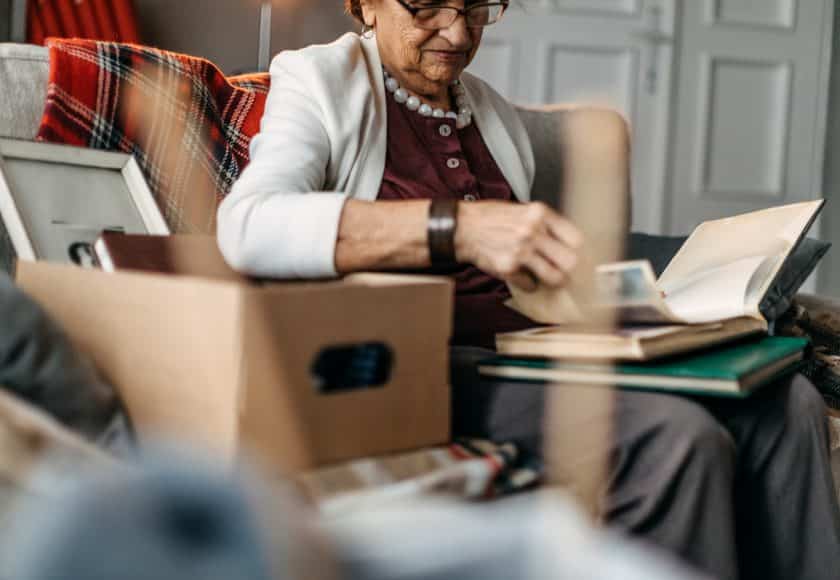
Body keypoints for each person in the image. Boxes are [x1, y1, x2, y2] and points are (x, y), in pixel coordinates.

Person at [217, 1, 840, 578]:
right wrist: (452, 228)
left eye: (477, 6)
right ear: (364, 3)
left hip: (545, 349)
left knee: (788, 406)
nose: (459, 34)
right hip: (425, 368)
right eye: (427, 4)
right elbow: (250, 225)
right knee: (677, 435)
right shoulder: (320, 79)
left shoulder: (488, 111)